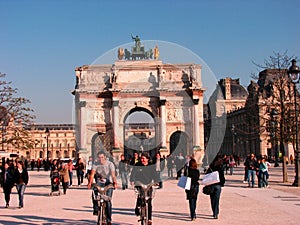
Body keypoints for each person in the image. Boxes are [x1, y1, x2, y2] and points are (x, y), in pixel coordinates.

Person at [88, 151, 117, 225]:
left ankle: (109, 219)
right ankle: (96, 208)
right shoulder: (95, 164)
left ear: (105, 157)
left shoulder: (110, 164)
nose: (101, 159)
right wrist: (90, 183)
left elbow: (113, 175)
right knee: (94, 193)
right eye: (99, 157)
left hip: (108, 182)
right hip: (99, 182)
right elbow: (92, 174)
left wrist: (115, 183)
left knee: (108, 200)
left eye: (102, 157)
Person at [130, 152, 158, 225]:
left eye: (143, 158)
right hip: (139, 184)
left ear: (147, 159)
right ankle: (138, 207)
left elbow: (155, 175)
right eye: (141, 158)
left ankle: (149, 219)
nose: (142, 160)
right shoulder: (137, 165)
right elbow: (133, 173)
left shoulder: (151, 166)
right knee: (140, 197)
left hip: (148, 184)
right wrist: (132, 180)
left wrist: (156, 181)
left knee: (149, 201)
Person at [208, 154, 225, 219]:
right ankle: (216, 212)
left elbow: (208, 175)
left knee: (212, 199)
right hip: (218, 185)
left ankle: (214, 211)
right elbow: (222, 177)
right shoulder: (220, 167)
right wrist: (222, 183)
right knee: (217, 199)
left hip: (212, 184)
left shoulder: (211, 166)